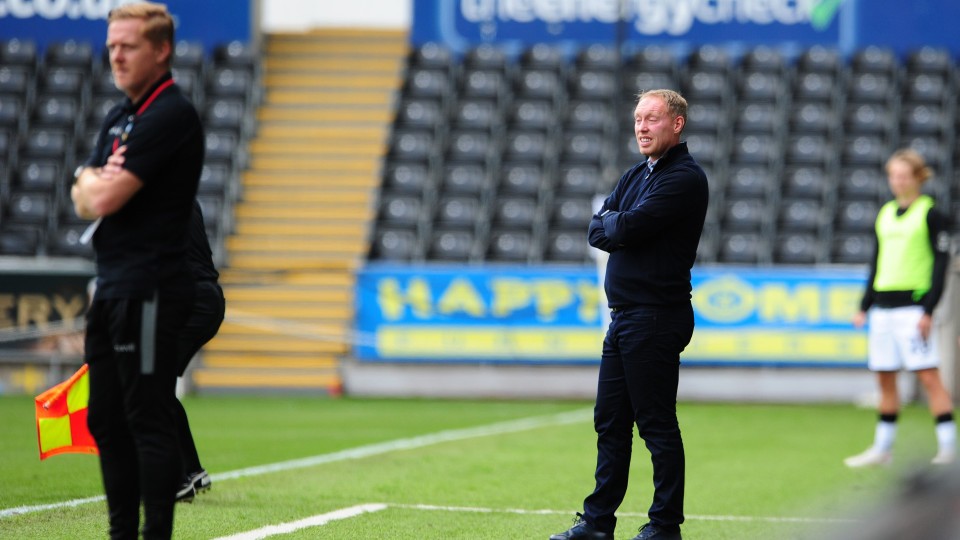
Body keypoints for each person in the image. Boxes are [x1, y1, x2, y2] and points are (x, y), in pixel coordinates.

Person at [70, 2, 204, 538]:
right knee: (103, 418)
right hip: (111, 287)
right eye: (111, 48)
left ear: (161, 50)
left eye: (127, 46)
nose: (116, 57)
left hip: (150, 288)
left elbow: (102, 196)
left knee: (146, 417)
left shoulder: (170, 113)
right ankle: (121, 532)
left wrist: (92, 181)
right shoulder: (120, 117)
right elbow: (89, 188)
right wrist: (90, 178)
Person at [550, 89, 708, 540]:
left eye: (652, 119)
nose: (641, 126)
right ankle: (598, 524)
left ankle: (664, 527)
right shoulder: (638, 173)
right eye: (638, 118)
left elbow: (627, 225)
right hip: (625, 317)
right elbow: (597, 227)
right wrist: (615, 224)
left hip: (655, 316)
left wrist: (615, 224)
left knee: (655, 424)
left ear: (676, 124)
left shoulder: (684, 178)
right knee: (611, 423)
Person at [844, 148, 955, 468]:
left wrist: (928, 309)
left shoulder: (932, 214)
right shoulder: (886, 213)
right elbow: (877, 263)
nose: (898, 182)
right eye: (893, 176)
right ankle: (883, 448)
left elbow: (940, 264)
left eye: (904, 176)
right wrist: (864, 305)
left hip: (913, 308)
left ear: (918, 177)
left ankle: (948, 448)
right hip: (883, 308)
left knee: (929, 377)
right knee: (884, 378)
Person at [173, 200, 225, 503]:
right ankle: (191, 472)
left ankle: (178, 477)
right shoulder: (181, 194)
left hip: (191, 300)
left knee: (151, 389)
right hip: (203, 297)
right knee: (157, 390)